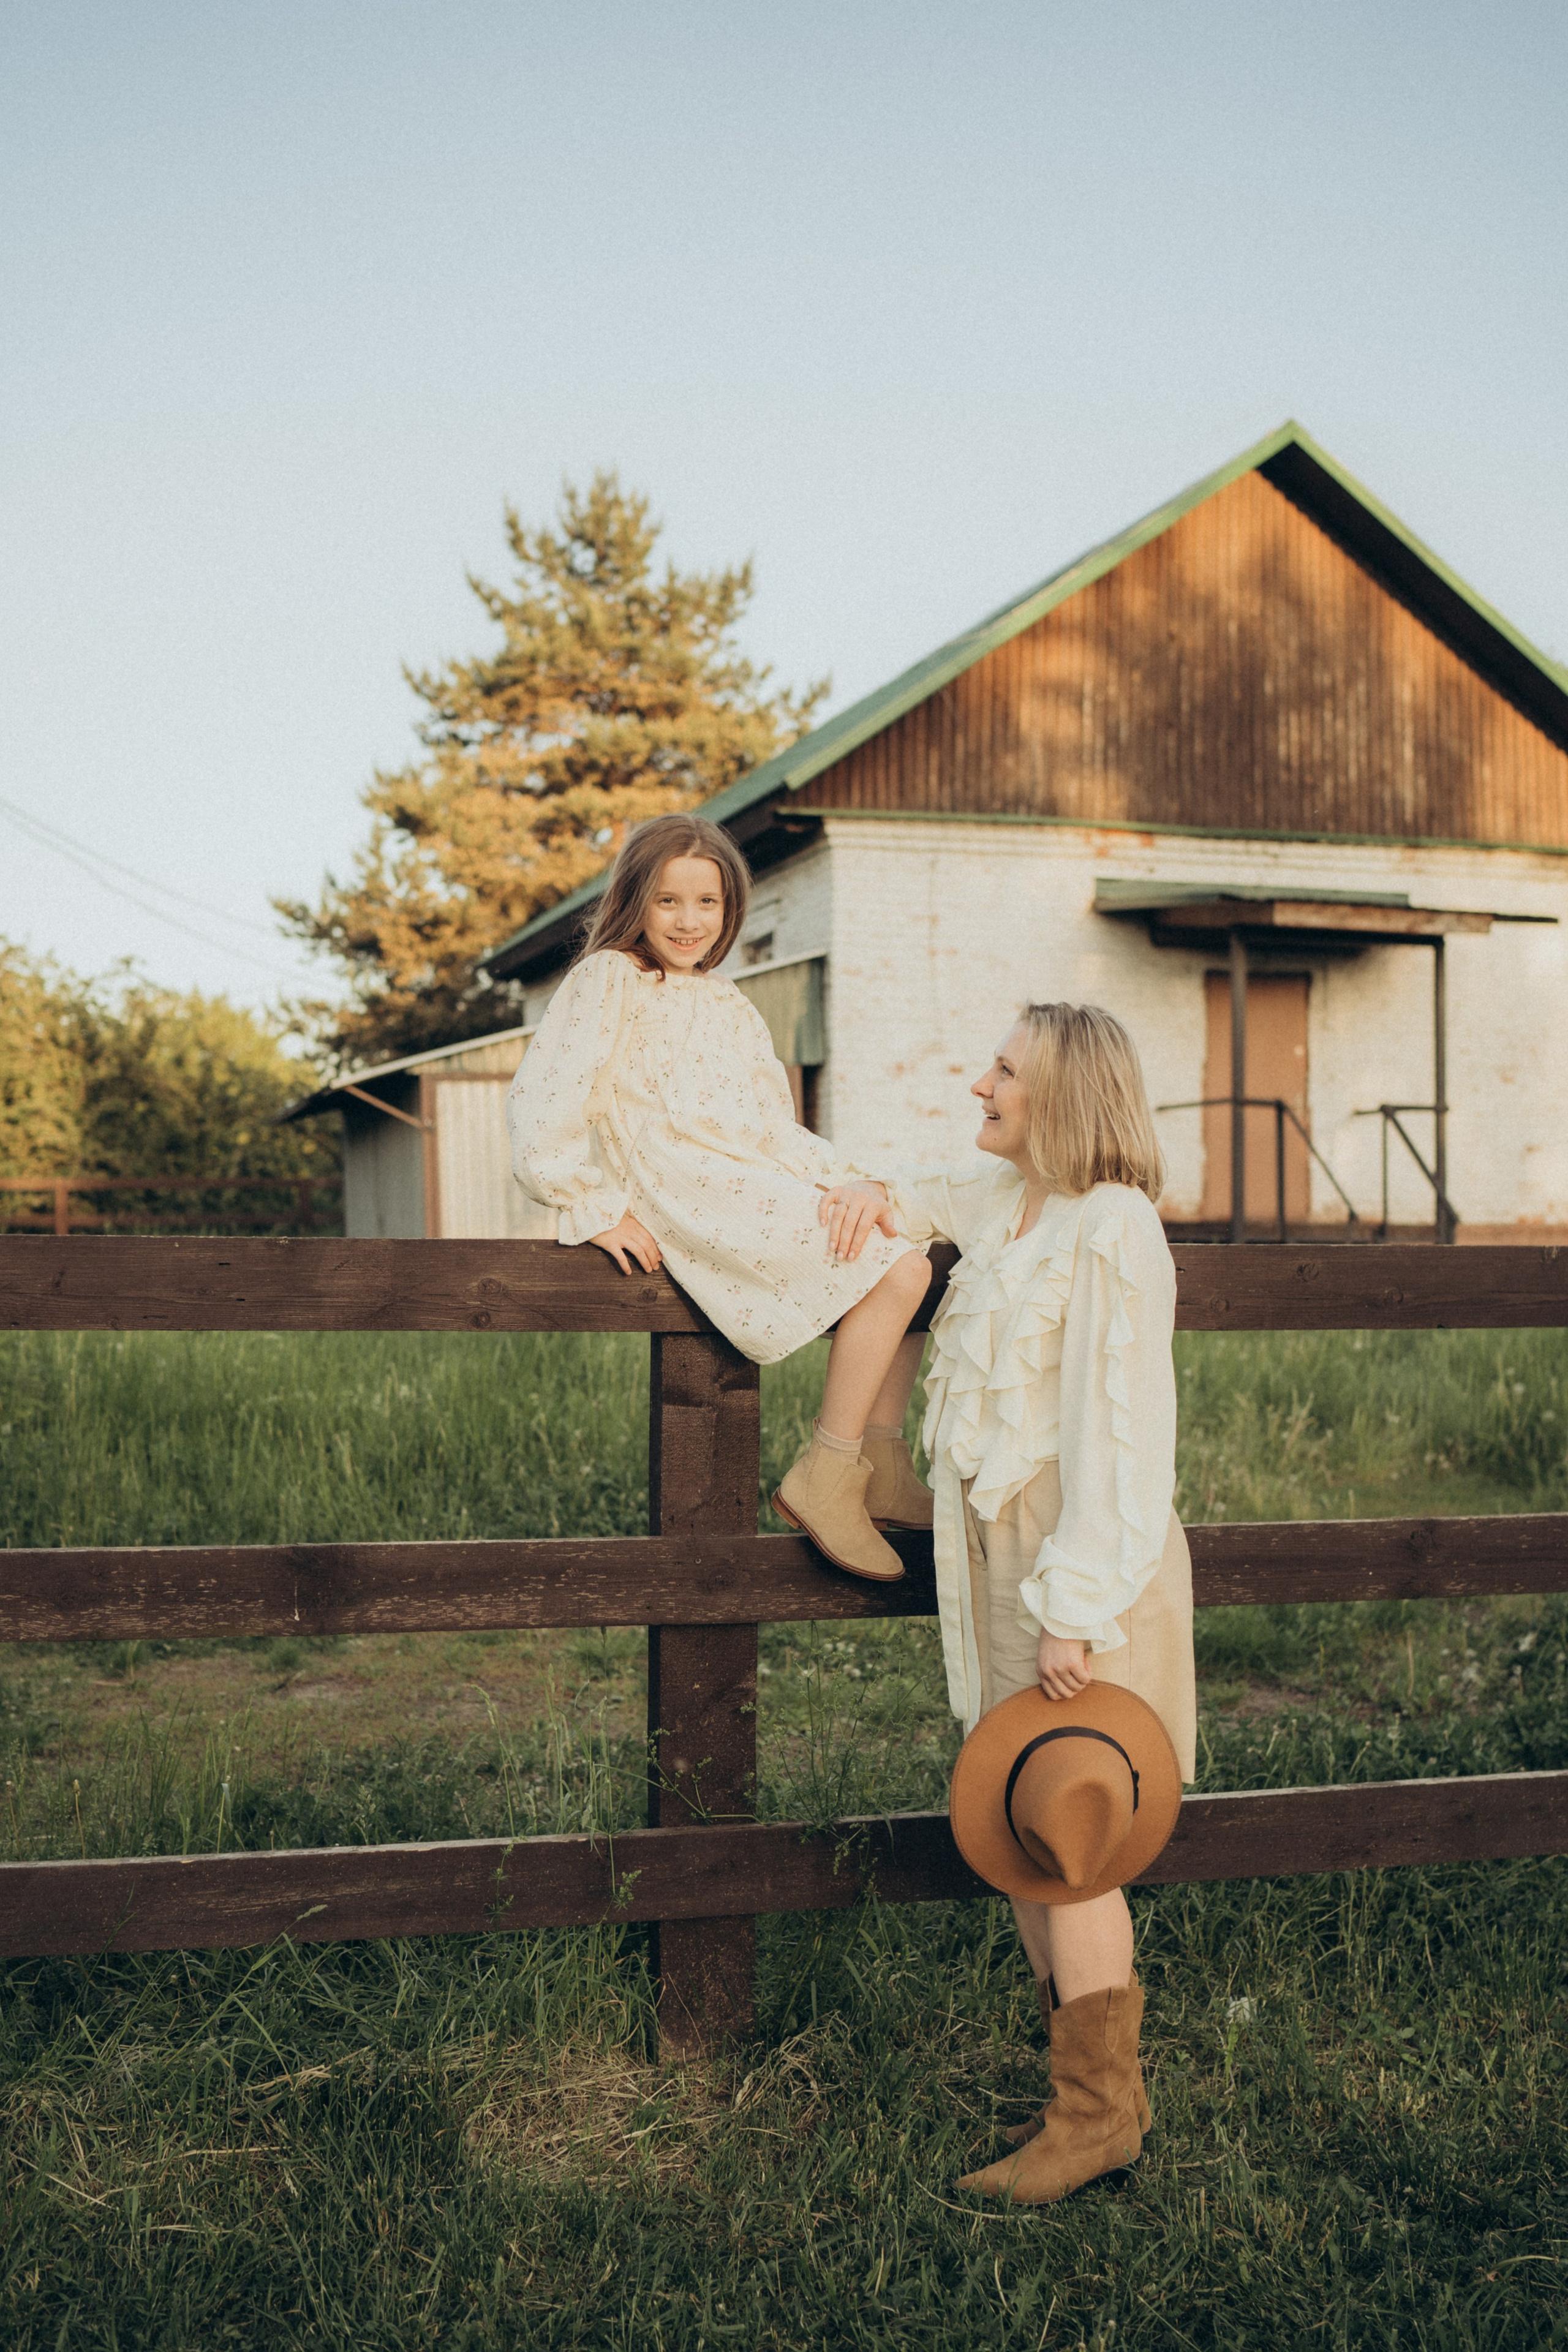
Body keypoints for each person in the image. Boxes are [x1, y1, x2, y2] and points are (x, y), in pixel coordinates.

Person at [820, 1001, 1195, 2202]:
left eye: (1002, 1071)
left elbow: (1122, 1440)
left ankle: (1094, 2119)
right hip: (991, 1550)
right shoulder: (1004, 1202)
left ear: (1065, 1096)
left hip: (1077, 1559)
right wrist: (863, 1200)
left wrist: (1074, 1606)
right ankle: (1088, 2103)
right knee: (1024, 1829)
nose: (975, 1082)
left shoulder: (1114, 1228)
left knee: (1070, 1832)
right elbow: (912, 1196)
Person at [507, 813, 933, 1583]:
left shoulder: (729, 1002)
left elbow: (771, 1128)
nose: (689, 921)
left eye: (707, 903)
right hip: (684, 1187)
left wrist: (847, 1179)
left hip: (747, 1172)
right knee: (896, 1271)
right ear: (635, 900)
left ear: (729, 909)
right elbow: (544, 1103)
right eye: (668, 901)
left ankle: (882, 1456)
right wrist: (593, 1206)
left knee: (904, 1239)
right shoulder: (607, 978)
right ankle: (827, 1474)